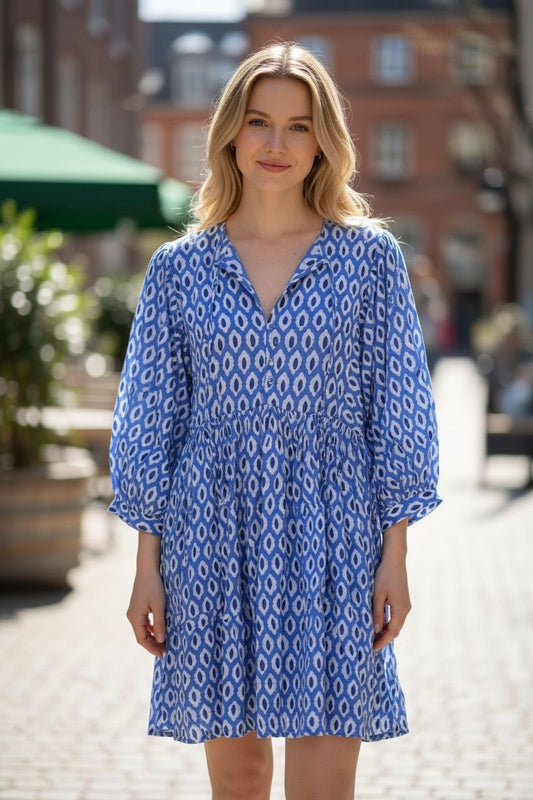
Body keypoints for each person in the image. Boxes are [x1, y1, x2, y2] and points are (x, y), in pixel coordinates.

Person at [109, 41, 441, 800]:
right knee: (240, 778)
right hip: (209, 538)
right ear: (230, 129)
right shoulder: (179, 269)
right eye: (259, 121)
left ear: (325, 138)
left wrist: (396, 556)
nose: (275, 144)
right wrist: (144, 568)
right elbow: (150, 422)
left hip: (334, 535)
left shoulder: (368, 261)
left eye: (298, 126)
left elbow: (397, 411)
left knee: (323, 780)